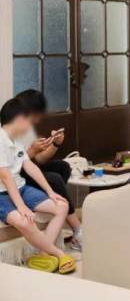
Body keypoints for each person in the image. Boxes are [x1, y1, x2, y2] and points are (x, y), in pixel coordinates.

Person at [0, 98, 76, 274]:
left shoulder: (15, 140)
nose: (30, 125)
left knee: (61, 205)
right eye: (28, 119)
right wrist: (21, 206)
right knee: (25, 221)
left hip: (20, 187)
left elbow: (30, 166)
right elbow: (5, 176)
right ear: (18, 118)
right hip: (2, 194)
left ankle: (42, 254)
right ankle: (58, 253)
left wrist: (50, 192)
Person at [15, 90, 83, 251]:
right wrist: (31, 151)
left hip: (27, 168)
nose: (39, 118)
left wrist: (55, 144)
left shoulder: (28, 128)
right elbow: (13, 164)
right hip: (15, 174)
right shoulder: (10, 128)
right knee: (54, 179)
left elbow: (39, 160)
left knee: (63, 167)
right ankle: (77, 229)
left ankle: (57, 207)